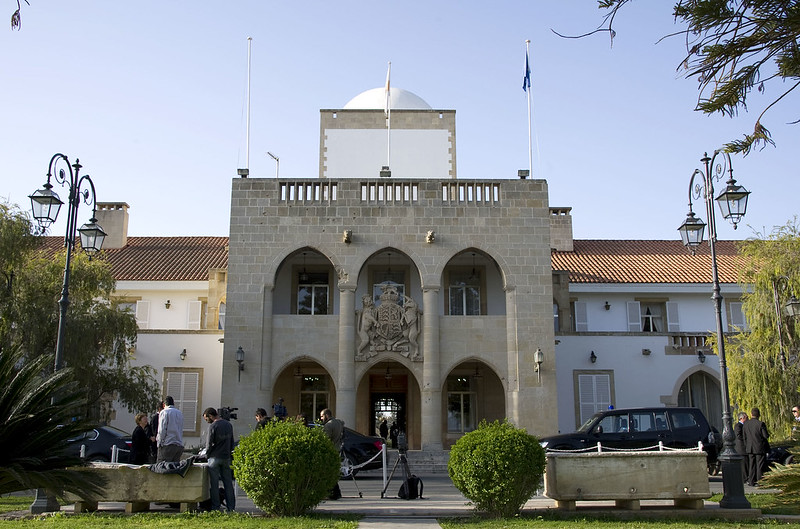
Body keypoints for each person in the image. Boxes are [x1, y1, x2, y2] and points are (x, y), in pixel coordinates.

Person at [203, 407, 236, 512]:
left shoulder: (213, 426)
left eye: (206, 418)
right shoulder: (228, 425)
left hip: (214, 457)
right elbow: (232, 442)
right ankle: (231, 507)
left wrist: (206, 455)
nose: (207, 421)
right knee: (228, 483)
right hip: (226, 457)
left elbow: (209, 444)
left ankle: (216, 507)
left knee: (214, 484)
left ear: (211, 416)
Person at [320, 408, 344, 500]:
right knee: (333, 472)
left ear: (326, 415)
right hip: (337, 449)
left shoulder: (328, 425)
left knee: (328, 472)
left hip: (330, 450)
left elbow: (325, 440)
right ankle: (336, 492)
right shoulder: (338, 423)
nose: (321, 418)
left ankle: (334, 493)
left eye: (322, 416)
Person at [742, 407, 770, 486]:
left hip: (749, 448)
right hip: (759, 447)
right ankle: (759, 481)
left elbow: (744, 437)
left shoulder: (746, 424)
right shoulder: (760, 424)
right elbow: (765, 436)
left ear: (751, 414)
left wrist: (747, 445)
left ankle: (751, 481)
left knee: (751, 464)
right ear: (759, 415)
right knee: (759, 465)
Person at [157, 396, 185, 462]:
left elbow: (162, 430)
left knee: (162, 467)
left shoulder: (164, 412)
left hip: (168, 444)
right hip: (178, 444)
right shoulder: (179, 413)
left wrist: (160, 443)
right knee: (174, 468)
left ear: (164, 404)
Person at [734, 411, 749, 482]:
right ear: (742, 418)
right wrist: (746, 439)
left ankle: (746, 477)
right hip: (741, 448)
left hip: (744, 448)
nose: (748, 419)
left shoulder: (744, 426)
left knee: (746, 463)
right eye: (747, 417)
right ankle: (744, 478)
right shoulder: (738, 426)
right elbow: (738, 436)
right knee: (743, 464)